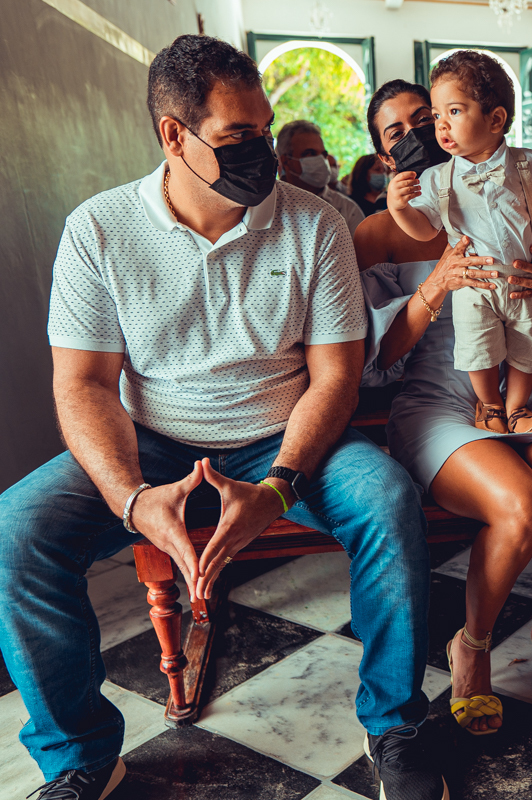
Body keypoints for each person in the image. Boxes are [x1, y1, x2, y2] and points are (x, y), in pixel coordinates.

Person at [0, 36, 447, 800]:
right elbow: (82, 385)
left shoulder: (314, 225)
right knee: (15, 531)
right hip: (150, 441)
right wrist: (133, 499)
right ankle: (81, 758)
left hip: (284, 433)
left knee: (386, 499)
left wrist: (279, 485)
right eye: (238, 137)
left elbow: (336, 376)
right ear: (174, 135)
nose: (262, 154)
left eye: (265, 131)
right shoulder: (99, 230)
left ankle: (394, 725)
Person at [355, 77, 532, 734]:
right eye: (398, 132)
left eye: (428, 117)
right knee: (522, 504)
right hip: (435, 400)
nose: (420, 134)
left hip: (523, 386)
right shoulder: (378, 234)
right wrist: (435, 285)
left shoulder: (511, 190)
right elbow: (374, 361)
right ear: (384, 156)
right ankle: (471, 648)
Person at [386, 51, 532, 435]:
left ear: (496, 119)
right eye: (437, 115)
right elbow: (425, 229)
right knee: (477, 345)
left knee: (527, 344)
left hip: (526, 280)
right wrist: (399, 208)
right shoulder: (438, 178)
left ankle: (517, 407)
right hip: (475, 282)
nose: (441, 125)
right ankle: (489, 405)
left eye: (453, 112)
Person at [276, 119, 365, 234]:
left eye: (323, 154)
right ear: (286, 161)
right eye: (310, 153)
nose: (321, 160)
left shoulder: (347, 209)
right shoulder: (269, 205)